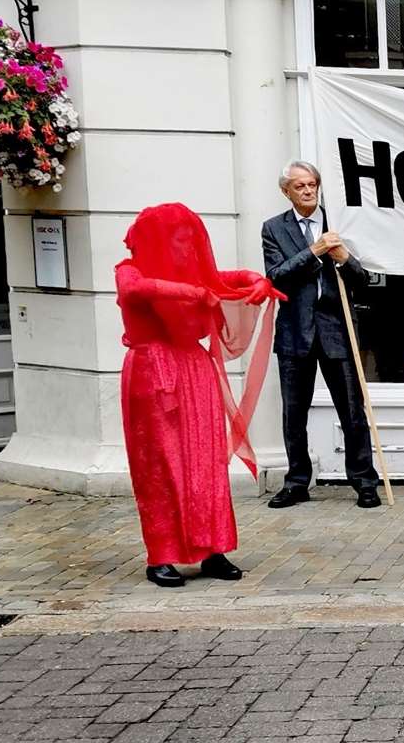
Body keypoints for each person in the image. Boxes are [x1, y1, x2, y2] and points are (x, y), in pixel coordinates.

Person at [117, 203, 283, 587]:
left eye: (191, 240)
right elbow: (135, 289)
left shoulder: (191, 272)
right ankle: (161, 555)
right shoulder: (130, 269)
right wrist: (195, 293)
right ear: (159, 240)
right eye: (180, 239)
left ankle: (212, 549)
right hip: (153, 370)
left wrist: (256, 279)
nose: (187, 248)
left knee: (205, 461)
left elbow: (229, 278)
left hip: (194, 368)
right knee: (162, 465)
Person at [261, 160, 382, 509]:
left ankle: (364, 482)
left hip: (335, 329)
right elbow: (276, 276)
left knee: (352, 410)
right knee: (294, 412)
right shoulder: (273, 229)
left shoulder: (338, 223)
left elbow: (362, 281)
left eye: (312, 183)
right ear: (286, 191)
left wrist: (344, 258)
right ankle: (297, 481)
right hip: (294, 332)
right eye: (299, 186)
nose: (308, 190)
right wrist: (314, 252)